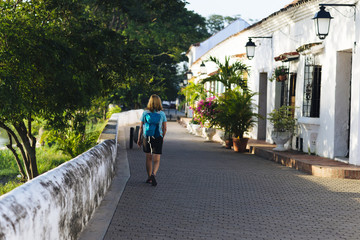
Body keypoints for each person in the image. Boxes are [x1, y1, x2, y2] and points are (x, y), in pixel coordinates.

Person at [137, 94, 167, 186]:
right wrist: (162, 137)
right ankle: (154, 174)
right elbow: (164, 128)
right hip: (158, 137)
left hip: (147, 137)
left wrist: (139, 139)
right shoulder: (162, 114)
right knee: (157, 159)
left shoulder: (145, 113)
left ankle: (149, 177)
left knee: (149, 158)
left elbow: (141, 127)